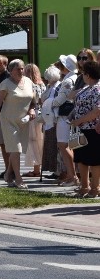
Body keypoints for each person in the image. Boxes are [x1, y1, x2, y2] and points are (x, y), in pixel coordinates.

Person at [0, 60, 37, 189]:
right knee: (16, 150)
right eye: (18, 69)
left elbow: (33, 100)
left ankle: (8, 174)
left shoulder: (29, 82)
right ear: (11, 70)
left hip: (23, 121)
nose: (21, 71)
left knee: (18, 151)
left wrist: (32, 109)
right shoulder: (5, 84)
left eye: (22, 68)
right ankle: (18, 179)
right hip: (8, 120)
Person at [67, 60, 100, 197]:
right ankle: (84, 186)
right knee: (80, 158)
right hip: (78, 128)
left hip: (91, 128)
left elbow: (96, 110)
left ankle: (95, 188)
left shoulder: (97, 88)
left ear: (89, 74)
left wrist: (79, 120)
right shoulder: (86, 88)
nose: (82, 76)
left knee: (94, 160)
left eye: (84, 73)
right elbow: (71, 97)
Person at [51, 54, 79, 186]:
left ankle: (72, 175)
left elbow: (61, 99)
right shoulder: (74, 78)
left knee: (63, 145)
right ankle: (71, 175)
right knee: (68, 145)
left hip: (64, 116)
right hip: (70, 115)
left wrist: (50, 103)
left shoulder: (68, 80)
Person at [23, 63, 46, 179]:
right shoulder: (42, 85)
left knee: (32, 141)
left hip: (32, 113)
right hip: (42, 114)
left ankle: (36, 168)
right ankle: (38, 167)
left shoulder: (29, 85)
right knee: (40, 141)